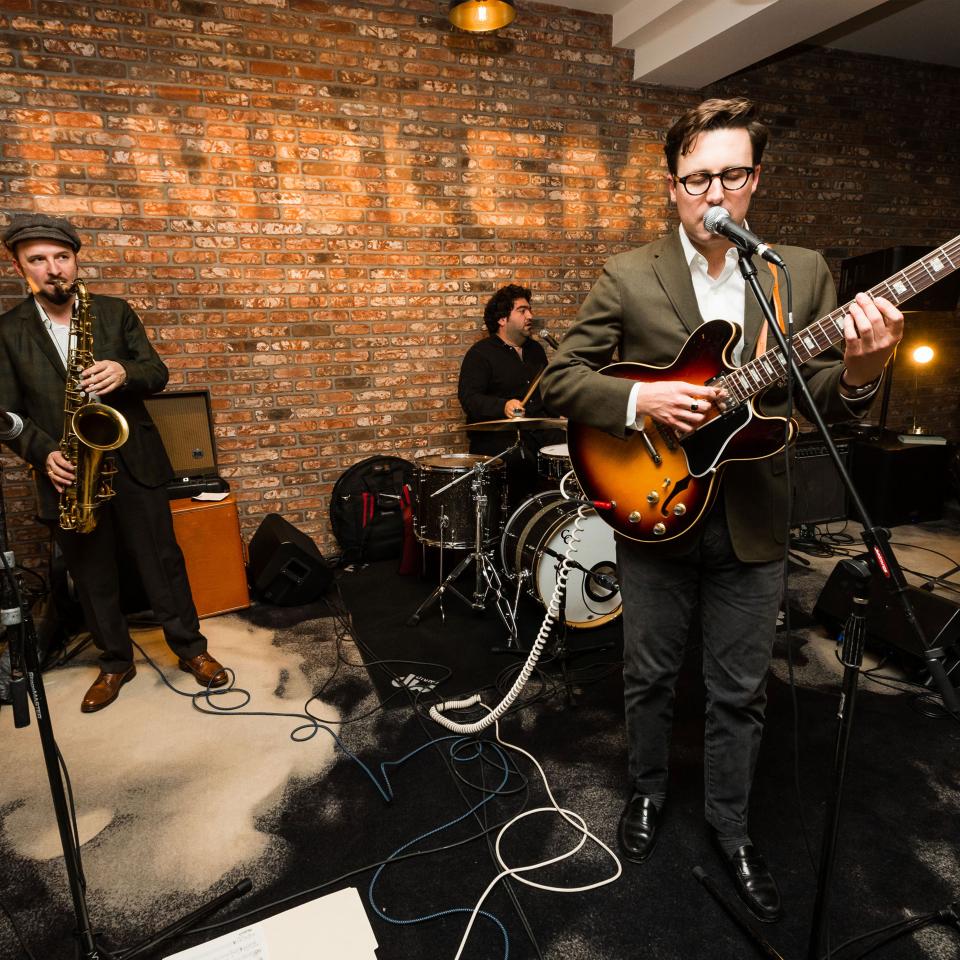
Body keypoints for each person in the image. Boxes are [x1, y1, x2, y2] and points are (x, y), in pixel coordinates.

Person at [541, 98, 902, 922]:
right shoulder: (629, 274)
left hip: (753, 517)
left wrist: (859, 372)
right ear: (673, 187)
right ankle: (645, 791)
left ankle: (731, 827)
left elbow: (818, 398)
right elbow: (558, 379)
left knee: (742, 689)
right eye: (697, 177)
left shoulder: (799, 272)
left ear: (754, 181)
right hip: (653, 500)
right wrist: (642, 399)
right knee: (648, 675)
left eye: (731, 176)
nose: (714, 194)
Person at [0, 213, 229, 712]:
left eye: (62, 257)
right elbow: (7, 415)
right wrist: (44, 454)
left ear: (75, 260)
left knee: (162, 561)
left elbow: (157, 372)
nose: (53, 268)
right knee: (93, 572)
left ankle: (191, 649)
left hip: (133, 460)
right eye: (38, 259)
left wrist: (124, 371)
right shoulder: (7, 331)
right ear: (18, 265)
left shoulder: (113, 311)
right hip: (68, 470)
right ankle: (114, 662)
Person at [458, 284, 563, 506]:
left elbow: (545, 394)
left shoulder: (535, 351)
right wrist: (503, 405)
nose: (530, 316)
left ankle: (561, 515)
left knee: (572, 446)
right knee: (520, 459)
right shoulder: (480, 354)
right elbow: (469, 398)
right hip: (498, 438)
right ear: (502, 319)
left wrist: (562, 417)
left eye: (529, 310)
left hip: (536, 432)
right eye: (522, 310)